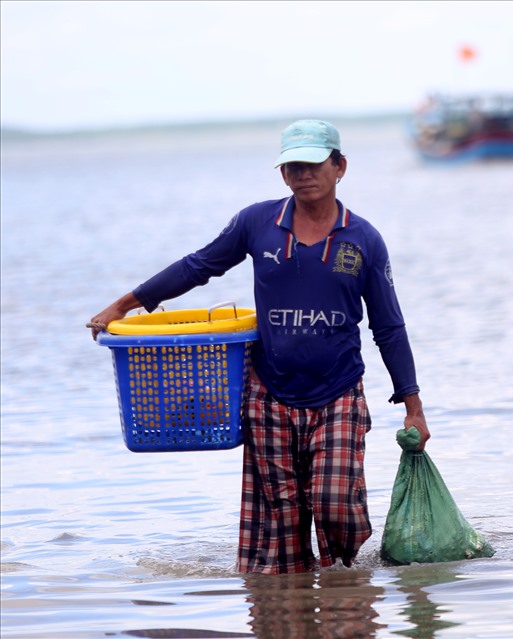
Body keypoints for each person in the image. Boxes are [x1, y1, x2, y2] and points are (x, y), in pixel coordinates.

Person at [89, 119, 430, 573]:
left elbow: (388, 326)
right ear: (283, 174)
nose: (303, 174)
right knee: (282, 535)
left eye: (313, 164)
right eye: (293, 166)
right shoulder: (257, 223)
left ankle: (345, 585)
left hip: (339, 391)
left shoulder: (363, 239)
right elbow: (198, 266)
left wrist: (413, 405)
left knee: (334, 505)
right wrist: (124, 304)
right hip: (269, 394)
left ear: (339, 166)